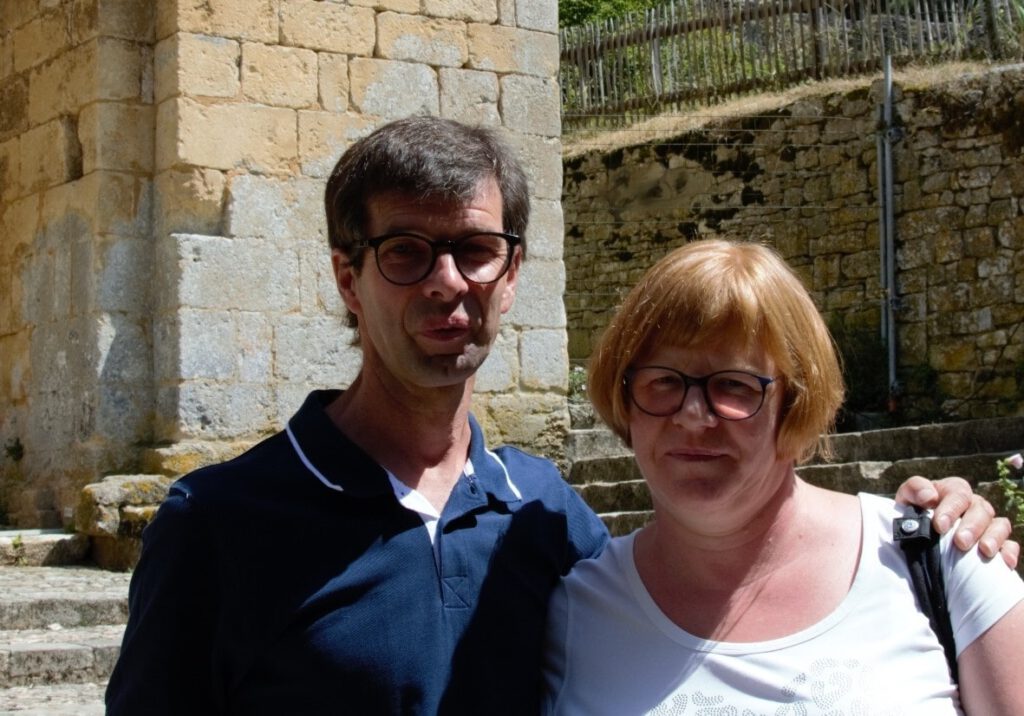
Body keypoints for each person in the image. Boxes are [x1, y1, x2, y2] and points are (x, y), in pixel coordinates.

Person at [106, 119, 1013, 715]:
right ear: (348, 275)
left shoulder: (547, 521)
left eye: (473, 250)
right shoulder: (220, 525)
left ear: (513, 275)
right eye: (405, 252)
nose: (446, 282)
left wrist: (954, 520)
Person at [542, 239, 1024, 715]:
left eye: (733, 384)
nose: (692, 415)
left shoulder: (943, 560)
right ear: (625, 399)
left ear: (794, 404)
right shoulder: (572, 612)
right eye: (663, 381)